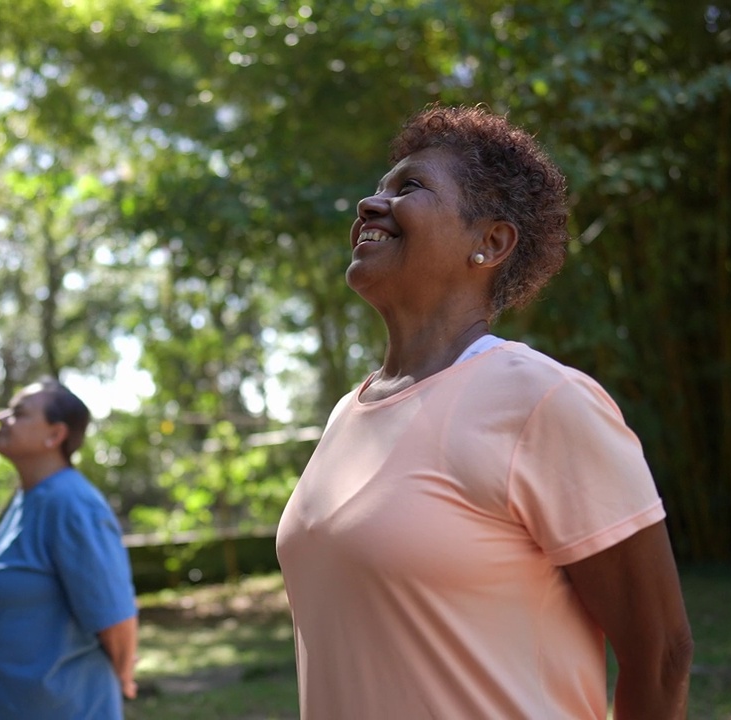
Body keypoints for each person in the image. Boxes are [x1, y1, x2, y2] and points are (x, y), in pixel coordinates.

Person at [275, 104, 693, 718]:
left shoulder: (542, 400)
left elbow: (661, 653)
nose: (369, 204)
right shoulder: (347, 414)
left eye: (409, 186)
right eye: (376, 187)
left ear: (490, 242)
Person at [0, 378, 138, 719]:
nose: (2, 417)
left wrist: (124, 677)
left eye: (18, 413)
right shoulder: (26, 499)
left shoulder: (72, 504)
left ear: (55, 435)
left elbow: (117, 621)